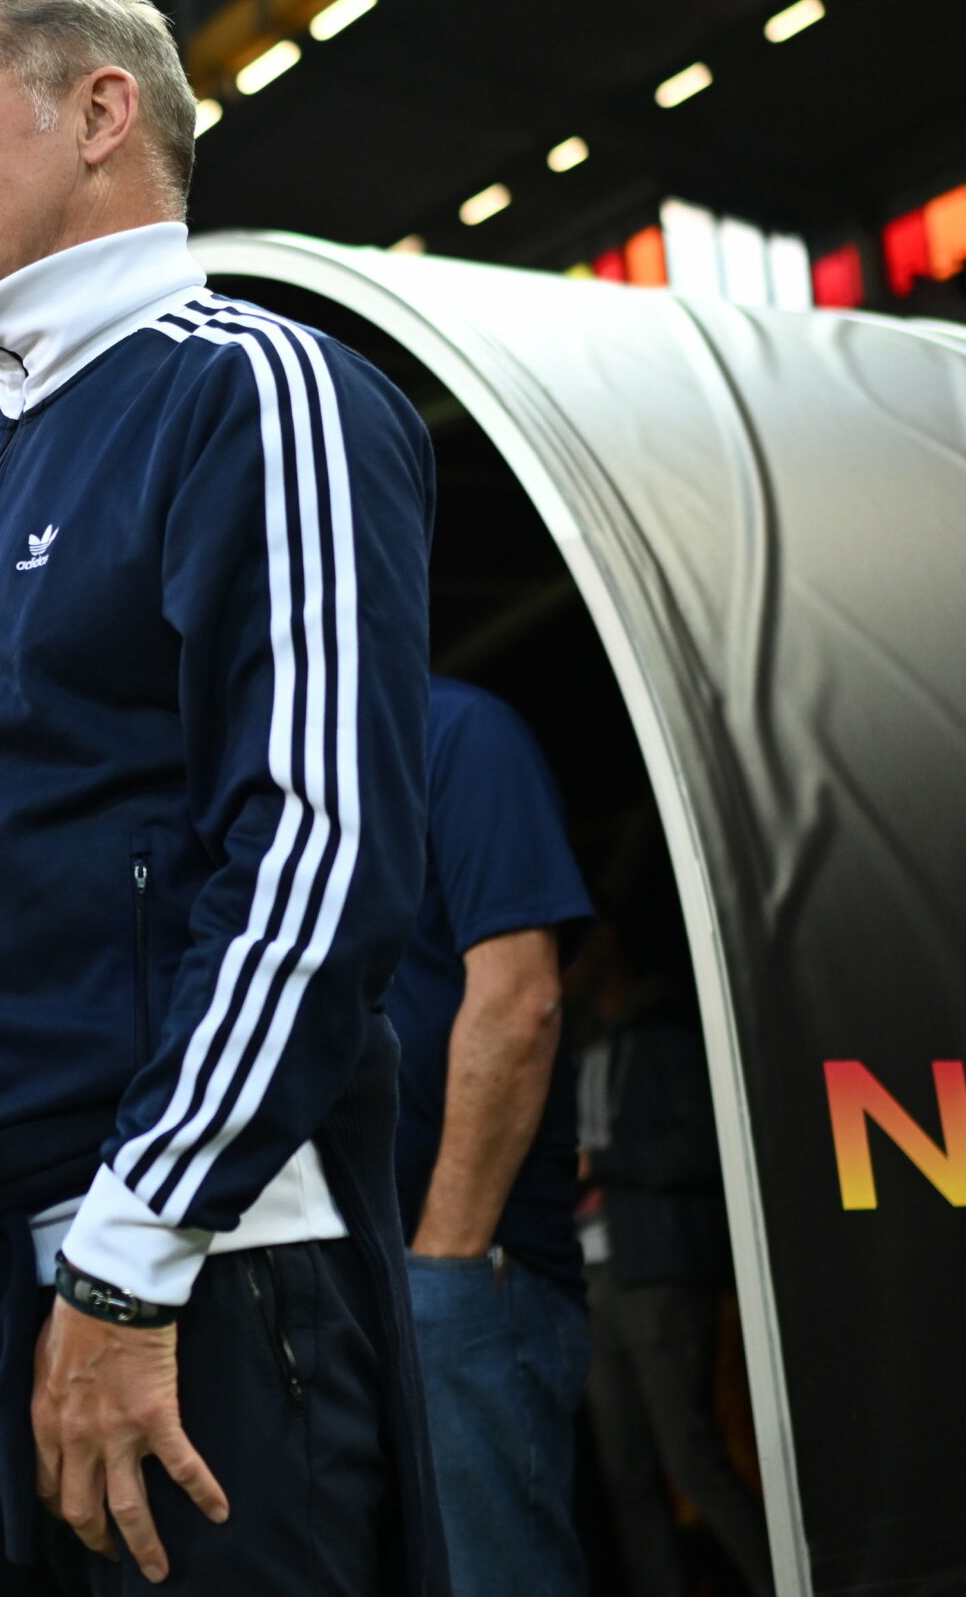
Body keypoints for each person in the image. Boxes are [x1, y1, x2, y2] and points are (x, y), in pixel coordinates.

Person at [0, 0, 445, 1596]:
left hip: (179, 1280)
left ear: (101, 115)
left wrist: (132, 1266)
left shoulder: (261, 392)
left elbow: (322, 847)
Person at [389, 676, 596, 1597]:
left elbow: (521, 1002)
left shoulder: (458, 730)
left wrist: (442, 1265)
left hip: (463, 1282)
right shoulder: (271, 776)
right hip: (360, 1301)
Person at [576, 929, 773, 1597]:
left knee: (691, 1458)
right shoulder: (581, 1050)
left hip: (657, 1268)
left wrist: (601, 1163)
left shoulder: (668, 1037)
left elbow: (708, 1147)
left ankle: (779, 1580)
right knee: (625, 1470)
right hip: (594, 1272)